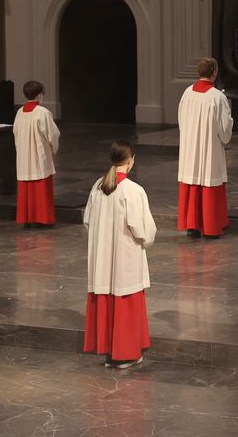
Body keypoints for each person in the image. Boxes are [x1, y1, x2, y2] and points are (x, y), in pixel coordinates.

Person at [83, 140, 156, 370]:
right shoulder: (133, 191)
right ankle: (125, 354)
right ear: (131, 161)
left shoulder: (98, 186)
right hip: (125, 257)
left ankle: (110, 353)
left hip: (103, 259)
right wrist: (146, 240)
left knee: (107, 297)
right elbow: (142, 229)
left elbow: (87, 221)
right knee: (126, 300)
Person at [177, 57, 234, 238]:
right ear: (215, 73)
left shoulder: (187, 93)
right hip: (210, 147)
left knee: (192, 179)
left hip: (190, 146)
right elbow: (224, 128)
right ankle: (210, 227)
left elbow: (181, 120)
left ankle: (192, 226)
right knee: (209, 180)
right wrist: (227, 134)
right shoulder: (218, 97)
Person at [13, 80, 60, 228]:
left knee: (26, 188)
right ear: (39, 95)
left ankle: (27, 220)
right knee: (41, 186)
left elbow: (15, 133)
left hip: (24, 156)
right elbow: (52, 134)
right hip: (39, 156)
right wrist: (54, 148)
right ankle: (43, 220)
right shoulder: (43, 113)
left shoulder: (19, 112)